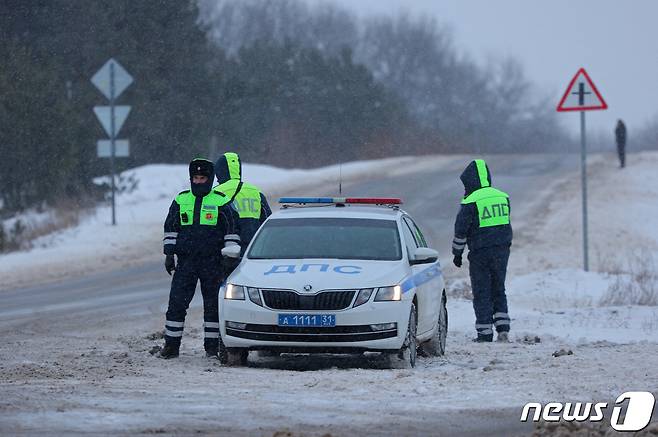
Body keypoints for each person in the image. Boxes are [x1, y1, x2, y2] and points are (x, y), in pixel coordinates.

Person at [160, 157, 241, 359]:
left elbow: (232, 230)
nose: (198, 181)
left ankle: (212, 348)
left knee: (213, 306)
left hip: (212, 263)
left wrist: (229, 257)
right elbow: (171, 227)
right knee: (176, 304)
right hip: (186, 262)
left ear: (210, 179)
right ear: (190, 178)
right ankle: (171, 346)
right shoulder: (181, 200)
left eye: (202, 178)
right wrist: (169, 253)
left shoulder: (221, 201)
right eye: (195, 178)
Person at [451, 159, 513, 343]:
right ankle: (503, 328)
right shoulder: (502, 196)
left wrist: (457, 253)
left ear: (471, 181)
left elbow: (461, 231)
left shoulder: (470, 201)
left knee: (482, 291)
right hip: (502, 250)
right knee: (498, 287)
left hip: (480, 252)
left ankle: (484, 333)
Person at [214, 152, 272, 247]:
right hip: (252, 247)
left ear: (219, 171)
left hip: (226, 246)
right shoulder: (255, 191)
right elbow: (266, 220)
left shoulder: (216, 192)